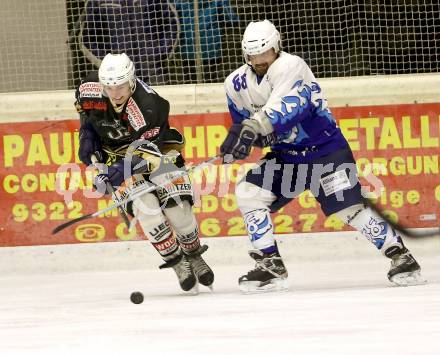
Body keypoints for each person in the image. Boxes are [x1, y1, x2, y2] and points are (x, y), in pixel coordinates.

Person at [220, 20, 424, 293]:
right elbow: (247, 126)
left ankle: (400, 256)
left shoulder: (292, 66)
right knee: (249, 191)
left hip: (325, 152)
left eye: (264, 54)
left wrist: (254, 128)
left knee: (348, 210)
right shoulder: (235, 83)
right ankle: (270, 262)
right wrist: (239, 142)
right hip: (287, 157)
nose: (258, 60)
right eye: (252, 56)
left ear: (276, 47)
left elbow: (288, 109)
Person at [75, 52, 214, 292]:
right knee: (148, 212)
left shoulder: (151, 106)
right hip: (115, 155)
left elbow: (148, 154)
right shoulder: (88, 89)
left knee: (178, 210)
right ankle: (178, 262)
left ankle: (193, 254)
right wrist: (87, 139)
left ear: (131, 81)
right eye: (109, 87)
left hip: (157, 152)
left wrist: (118, 172)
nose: (115, 93)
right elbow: (87, 118)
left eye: (120, 86)